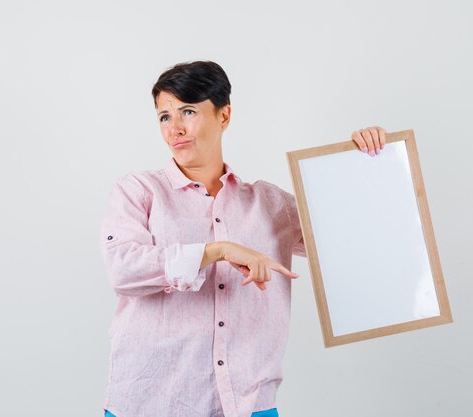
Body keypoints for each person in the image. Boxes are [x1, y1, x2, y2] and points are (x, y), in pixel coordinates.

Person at [99, 60, 387, 417]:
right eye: (164, 116)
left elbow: (350, 239)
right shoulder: (139, 191)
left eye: (187, 111)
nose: (174, 128)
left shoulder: (269, 203)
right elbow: (123, 270)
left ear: (224, 116)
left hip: (248, 403)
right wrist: (217, 250)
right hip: (151, 401)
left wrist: (366, 162)